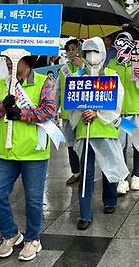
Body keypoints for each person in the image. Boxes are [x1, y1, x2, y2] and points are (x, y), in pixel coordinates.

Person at [0, 53, 57, 261]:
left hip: (33, 151)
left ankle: (33, 239)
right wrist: (2, 107)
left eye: (14, 59)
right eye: (6, 59)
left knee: (34, 200)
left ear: (29, 61)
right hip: (6, 153)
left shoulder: (44, 82)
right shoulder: (1, 84)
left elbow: (48, 111)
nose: (9, 63)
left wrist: (21, 114)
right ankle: (11, 233)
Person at [70, 37, 128, 230]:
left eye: (95, 52)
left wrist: (98, 113)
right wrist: (82, 113)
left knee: (109, 167)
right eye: (87, 52)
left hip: (106, 130)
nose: (91, 56)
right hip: (85, 131)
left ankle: (110, 200)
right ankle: (85, 214)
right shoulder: (78, 76)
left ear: (103, 53)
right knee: (86, 173)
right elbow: (70, 105)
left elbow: (117, 105)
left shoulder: (112, 75)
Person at [107, 32, 139, 194]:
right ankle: (122, 178)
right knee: (120, 144)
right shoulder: (112, 64)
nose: (124, 46)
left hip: (136, 111)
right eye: (120, 43)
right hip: (119, 114)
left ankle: (136, 175)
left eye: (127, 42)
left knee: (138, 144)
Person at [57, 39, 85, 185]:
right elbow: (58, 90)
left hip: (83, 115)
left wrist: (83, 67)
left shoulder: (88, 67)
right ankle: (76, 172)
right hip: (67, 114)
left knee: (83, 144)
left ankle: (86, 171)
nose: (71, 52)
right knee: (70, 144)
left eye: (74, 49)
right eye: (69, 50)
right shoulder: (63, 69)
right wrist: (54, 109)